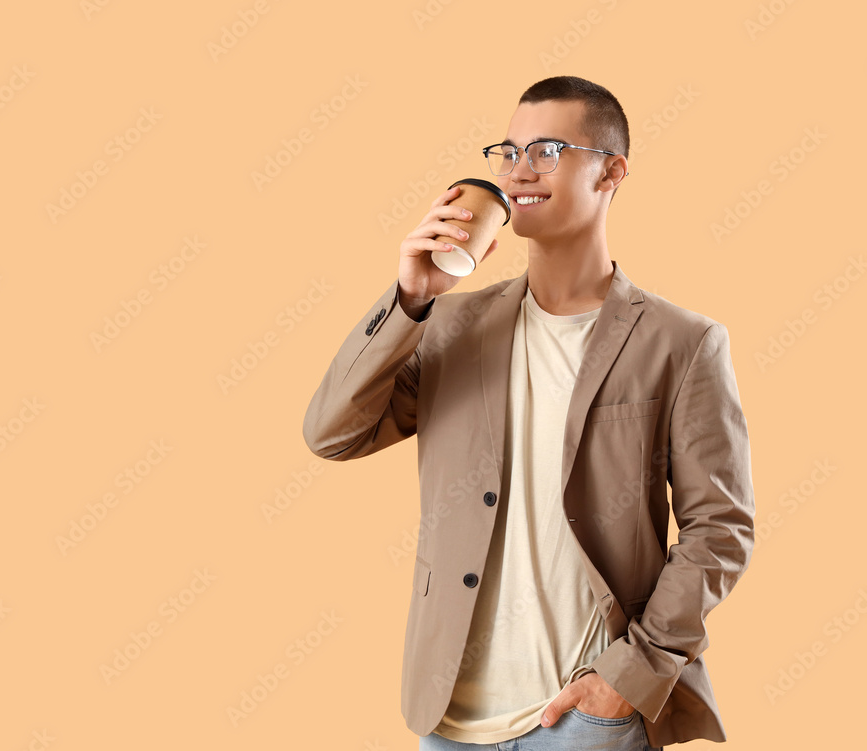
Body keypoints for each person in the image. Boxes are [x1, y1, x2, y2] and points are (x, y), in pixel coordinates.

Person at [302, 75, 755, 750]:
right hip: (447, 713)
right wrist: (410, 297)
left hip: (587, 714)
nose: (518, 171)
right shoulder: (451, 327)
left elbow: (719, 529)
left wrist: (627, 675)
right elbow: (331, 434)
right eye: (507, 152)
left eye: (546, 150)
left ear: (612, 171)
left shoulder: (682, 342)